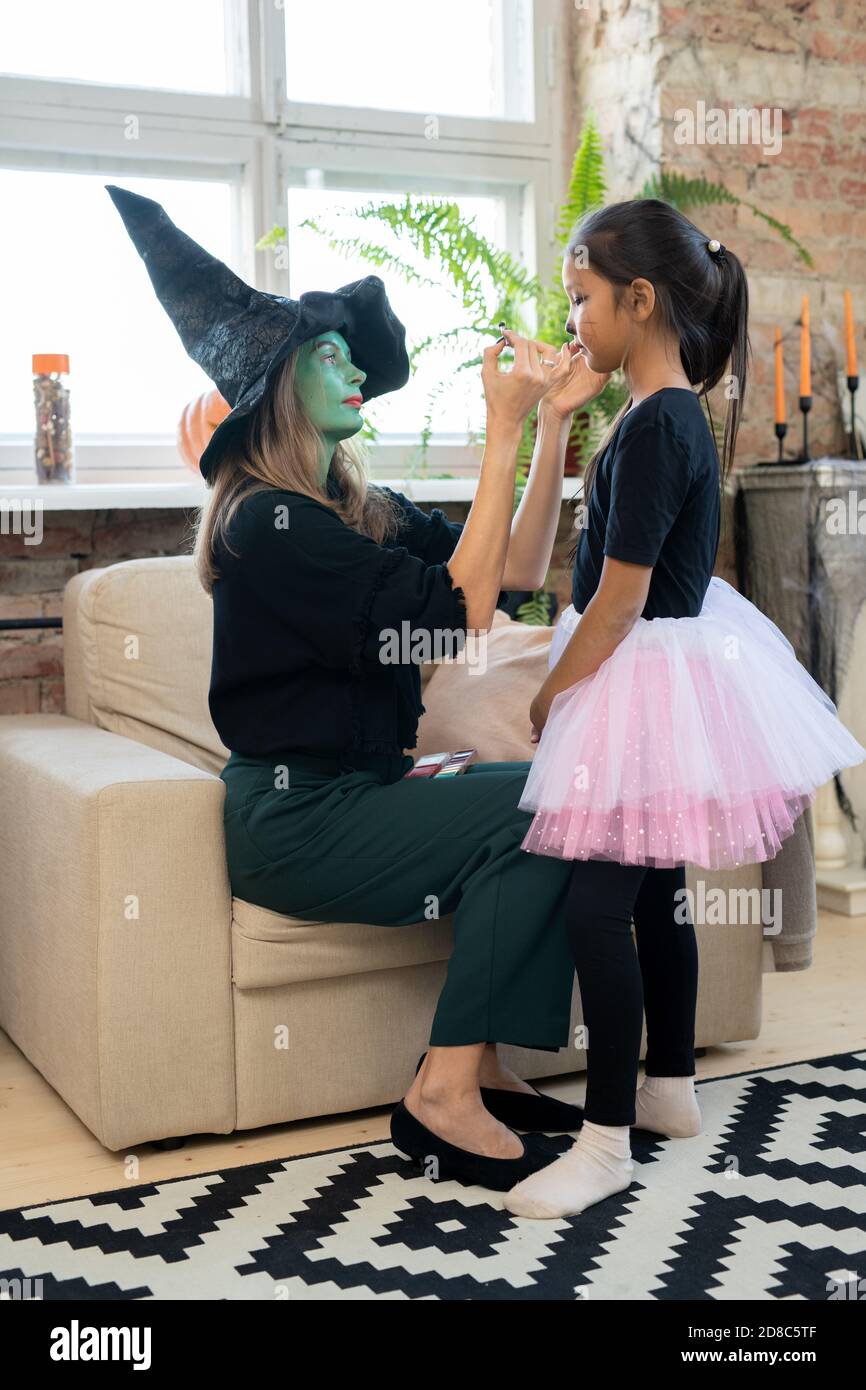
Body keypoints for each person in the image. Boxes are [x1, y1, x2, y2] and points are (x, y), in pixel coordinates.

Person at [103, 182, 609, 1194]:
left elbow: (507, 572)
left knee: (564, 783)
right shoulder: (269, 526)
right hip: (298, 819)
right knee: (542, 802)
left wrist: (550, 424)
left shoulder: (351, 505)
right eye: (327, 356)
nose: (352, 372)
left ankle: (482, 1062)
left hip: (365, 789)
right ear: (278, 391)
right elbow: (458, 616)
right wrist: (498, 428)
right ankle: (437, 1095)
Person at [501, 199, 866, 1220]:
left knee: (595, 905)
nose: (570, 320)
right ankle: (667, 1085)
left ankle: (605, 1139)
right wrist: (561, 417)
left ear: (639, 298)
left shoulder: (662, 423)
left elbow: (616, 600)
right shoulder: (653, 414)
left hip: (639, 667)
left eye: (580, 299)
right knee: (655, 888)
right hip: (661, 668)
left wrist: (549, 687)